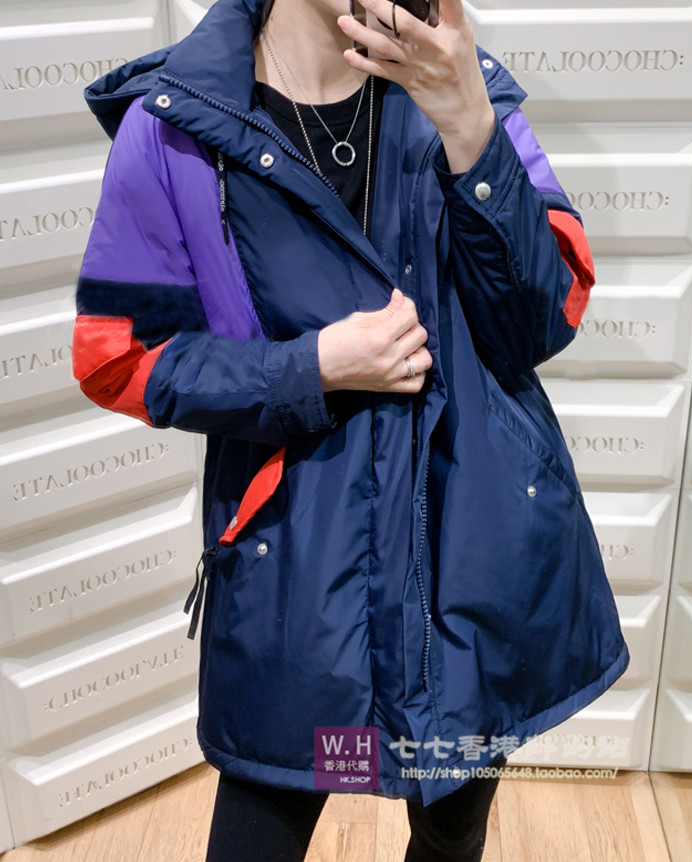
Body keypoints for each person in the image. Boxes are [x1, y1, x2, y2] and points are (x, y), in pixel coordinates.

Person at [72, 0, 630, 857]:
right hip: (297, 566)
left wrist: (471, 132)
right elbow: (120, 356)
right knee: (263, 822)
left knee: (451, 825)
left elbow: (540, 323)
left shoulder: (463, 88)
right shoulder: (177, 122)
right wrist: (311, 367)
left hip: (472, 549)